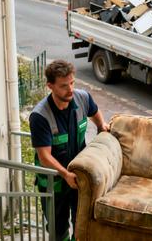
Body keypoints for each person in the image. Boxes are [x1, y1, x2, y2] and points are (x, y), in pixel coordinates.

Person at [29, 60, 109, 241]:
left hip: (79, 177)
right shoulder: (40, 116)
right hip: (54, 182)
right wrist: (65, 175)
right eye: (64, 86)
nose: (70, 89)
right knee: (58, 229)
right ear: (50, 86)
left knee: (82, 223)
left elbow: (96, 114)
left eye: (72, 83)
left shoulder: (82, 98)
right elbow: (44, 157)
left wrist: (101, 126)